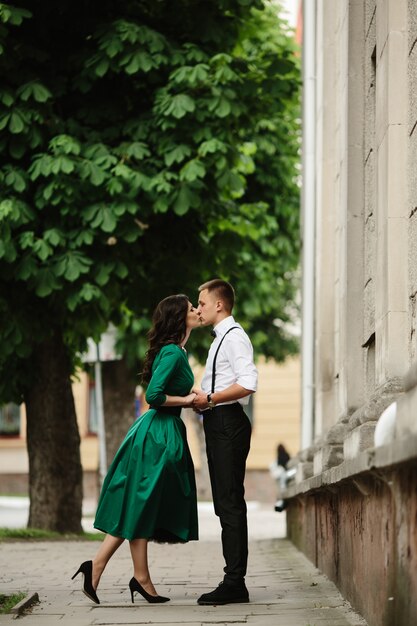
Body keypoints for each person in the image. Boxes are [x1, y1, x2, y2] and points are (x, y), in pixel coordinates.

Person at [72, 294, 200, 605]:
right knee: (140, 505)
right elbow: (154, 396)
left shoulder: (176, 351)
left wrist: (190, 392)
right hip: (157, 435)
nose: (197, 311)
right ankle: (112, 570)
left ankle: (128, 574)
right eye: (191, 308)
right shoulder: (172, 352)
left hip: (157, 432)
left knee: (139, 505)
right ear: (180, 317)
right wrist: (188, 400)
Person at [192, 279, 258, 605]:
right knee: (224, 503)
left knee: (230, 502)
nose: (198, 309)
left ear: (219, 304)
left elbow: (248, 383)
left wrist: (211, 398)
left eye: (201, 303)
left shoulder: (234, 338)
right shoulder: (220, 339)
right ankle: (233, 579)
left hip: (228, 422)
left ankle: (235, 583)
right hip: (218, 421)